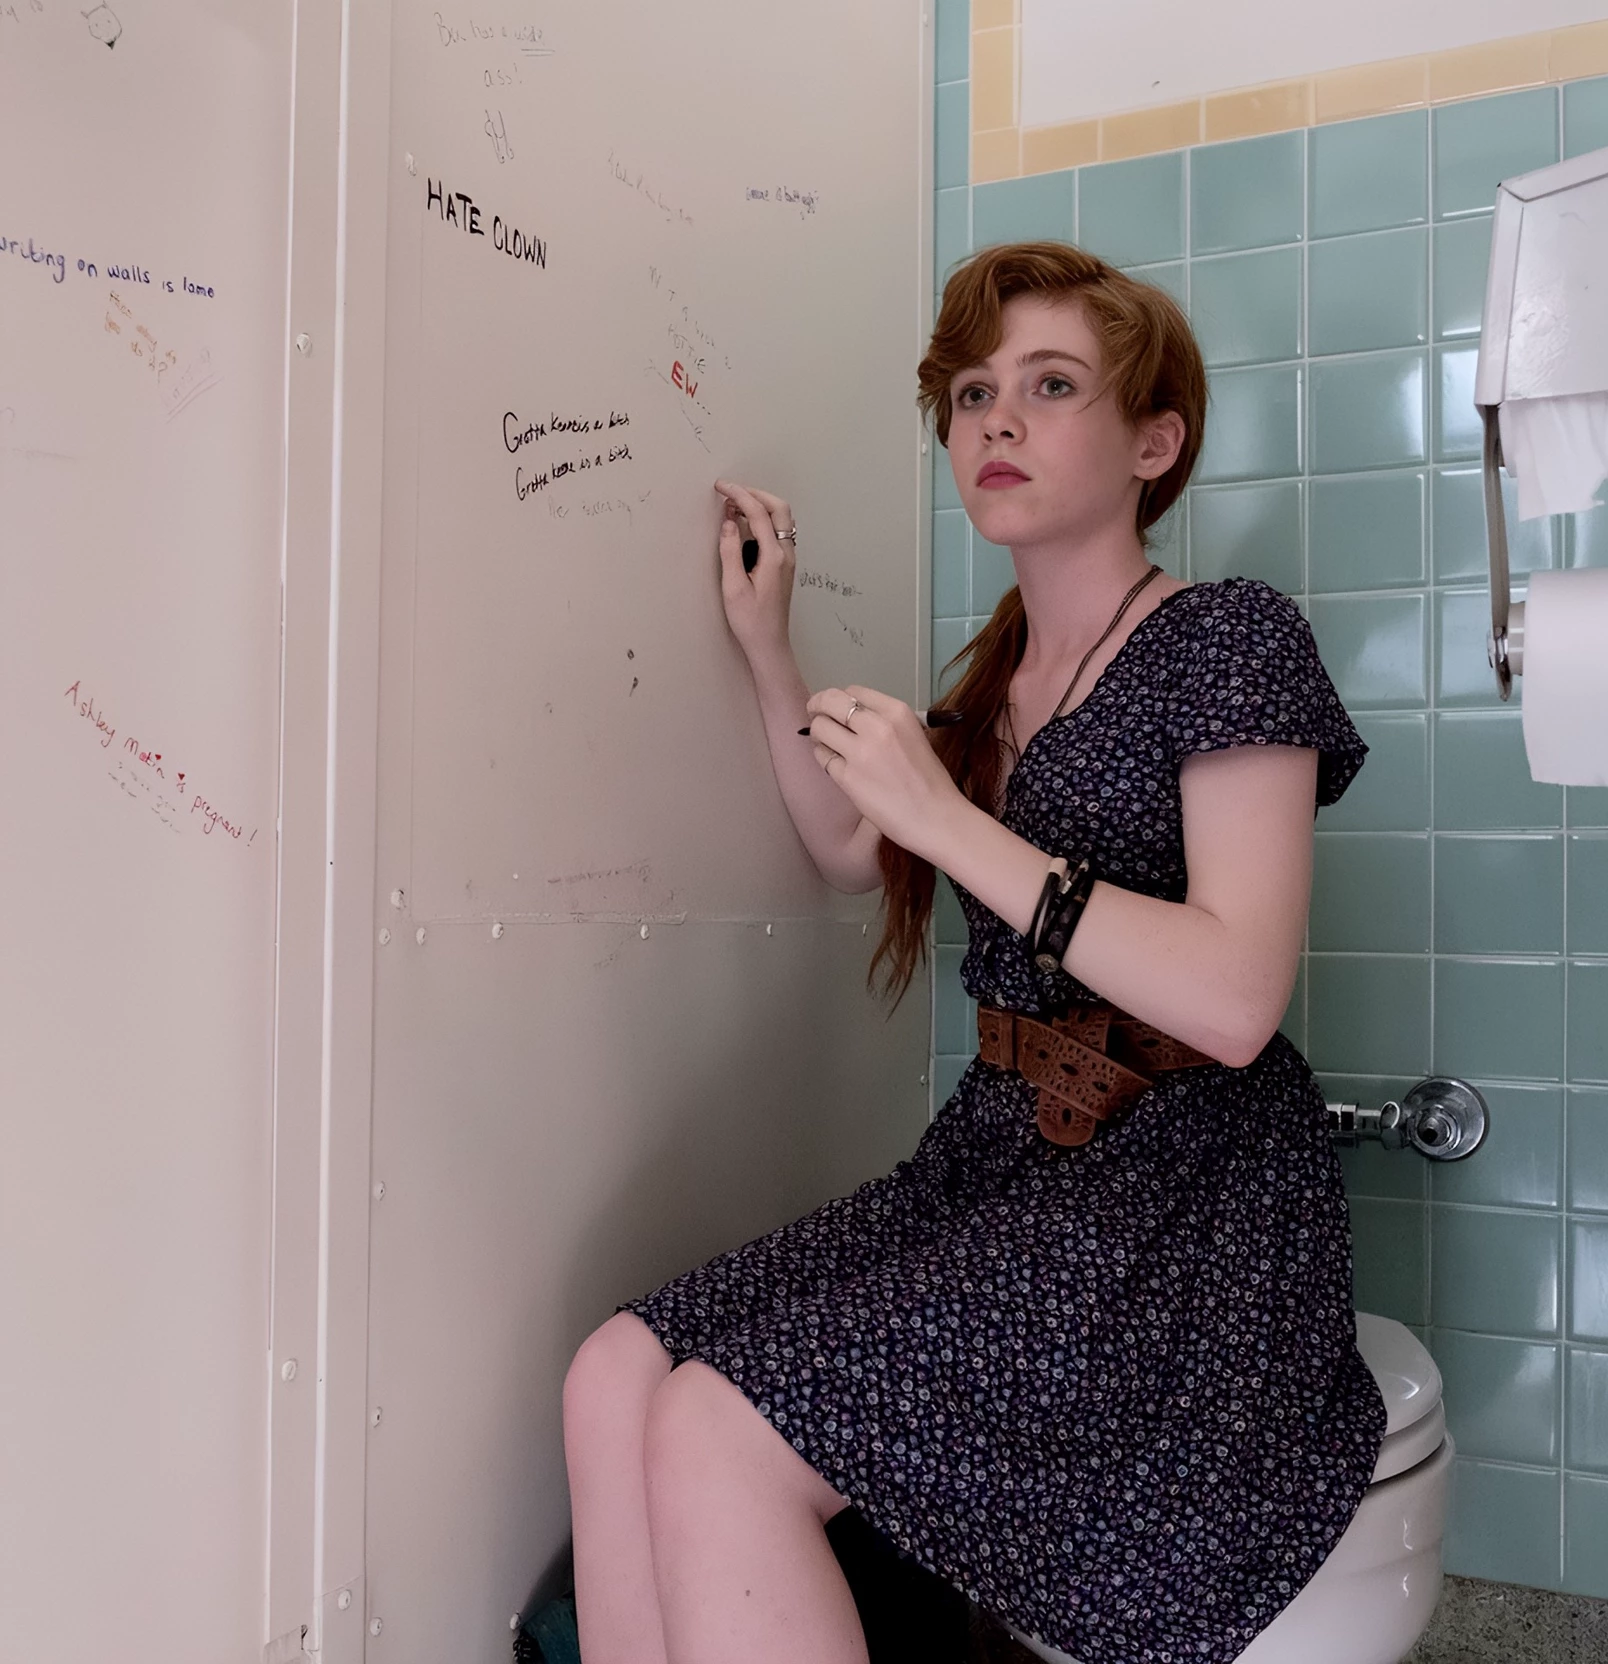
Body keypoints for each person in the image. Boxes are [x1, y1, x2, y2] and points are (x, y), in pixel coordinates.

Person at [560, 240, 1388, 1664]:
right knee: (613, 1372)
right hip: (1004, 1157)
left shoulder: (1229, 638)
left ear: (1153, 443)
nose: (997, 418)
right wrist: (770, 647)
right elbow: (849, 847)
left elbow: (1238, 996)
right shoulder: (995, 680)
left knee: (715, 1427)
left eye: (1052, 385)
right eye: (972, 394)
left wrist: (950, 821)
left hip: (1182, 1189)